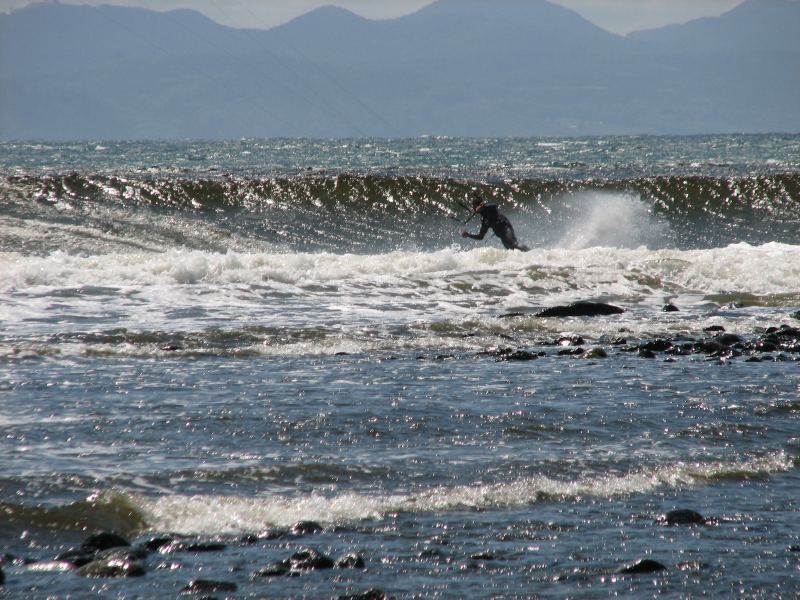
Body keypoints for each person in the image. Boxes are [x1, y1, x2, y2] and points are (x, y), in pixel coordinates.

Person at [461, 196, 529, 251]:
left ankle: (529, 253)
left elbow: (494, 205)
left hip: (506, 228)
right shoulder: (484, 220)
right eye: (473, 207)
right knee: (511, 249)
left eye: (474, 206)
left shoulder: (489, 208)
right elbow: (481, 236)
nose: (474, 208)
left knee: (514, 244)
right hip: (500, 234)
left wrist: (482, 206)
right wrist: (468, 235)